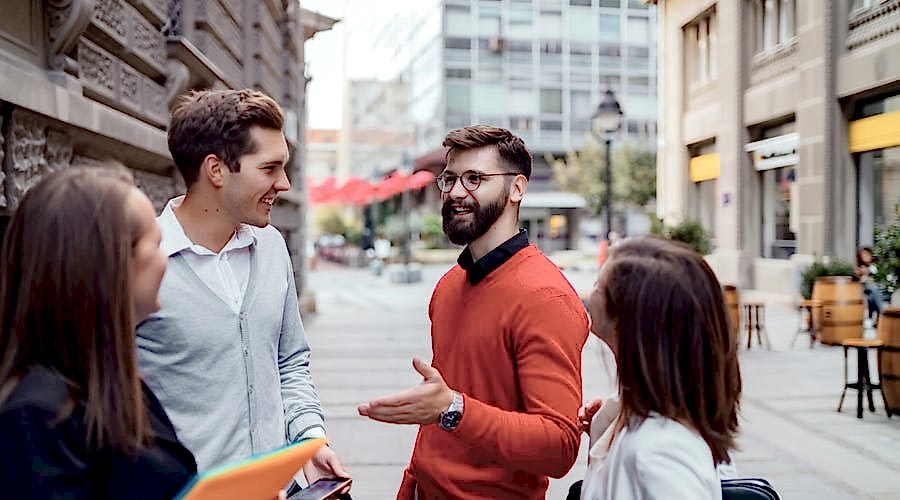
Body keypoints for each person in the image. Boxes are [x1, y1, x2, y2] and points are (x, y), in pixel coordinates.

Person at [358, 125, 590, 499]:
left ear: (517, 188)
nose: (456, 192)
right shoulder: (449, 286)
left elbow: (560, 446)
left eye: (475, 178)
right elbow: (438, 421)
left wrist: (453, 409)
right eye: (449, 179)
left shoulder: (546, 297)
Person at [135, 89, 348, 489]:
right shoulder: (142, 262)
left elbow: (289, 362)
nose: (283, 184)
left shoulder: (271, 246)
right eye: (270, 168)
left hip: (278, 489)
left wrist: (309, 440)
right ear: (216, 170)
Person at [0, 166, 197, 498]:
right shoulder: (35, 418)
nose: (167, 260)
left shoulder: (112, 383)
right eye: (157, 244)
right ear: (111, 264)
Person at [579, 236, 742, 500]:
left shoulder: (662, 454)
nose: (590, 292)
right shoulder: (636, 422)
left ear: (629, 319)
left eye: (599, 284)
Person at [855, 246, 884, 325]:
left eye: (867, 254)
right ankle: (881, 313)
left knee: (874, 292)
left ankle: (876, 317)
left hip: (872, 290)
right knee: (873, 290)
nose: (865, 256)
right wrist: (863, 275)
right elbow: (859, 281)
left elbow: (876, 278)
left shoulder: (873, 267)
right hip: (863, 288)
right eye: (863, 255)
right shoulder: (859, 268)